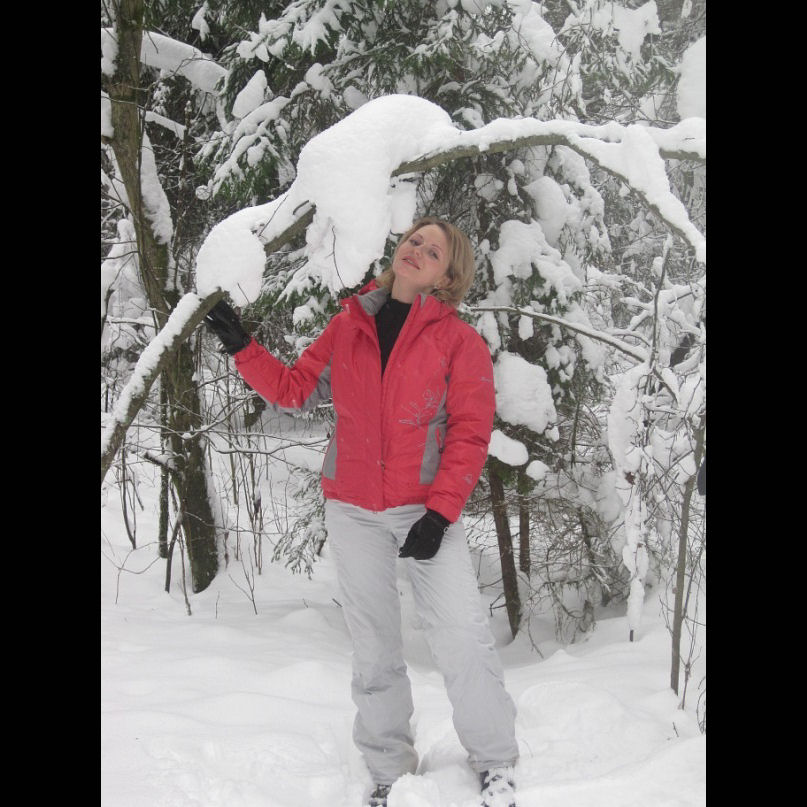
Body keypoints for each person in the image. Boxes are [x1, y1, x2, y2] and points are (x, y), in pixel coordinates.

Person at [205, 217, 519, 807]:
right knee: (374, 645)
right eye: (414, 240)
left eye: (433, 251)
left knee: (460, 638)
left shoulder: (459, 342)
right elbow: (296, 390)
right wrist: (242, 347)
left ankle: (496, 760)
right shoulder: (349, 324)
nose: (417, 250)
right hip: (351, 508)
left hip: (424, 511)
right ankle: (387, 769)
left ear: (448, 276)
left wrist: (440, 513)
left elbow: (471, 433)